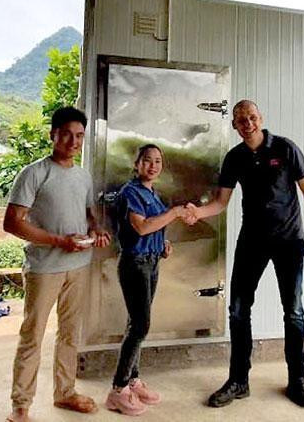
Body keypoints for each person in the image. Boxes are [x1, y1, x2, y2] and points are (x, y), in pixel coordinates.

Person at [185, 99, 304, 408]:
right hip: (252, 241)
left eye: (251, 117)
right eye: (240, 119)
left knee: (294, 311)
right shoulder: (234, 158)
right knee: (237, 310)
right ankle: (238, 381)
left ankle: (297, 379)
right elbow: (221, 202)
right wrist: (198, 212)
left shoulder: (286, 149)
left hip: (289, 241)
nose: (247, 122)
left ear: (260, 118)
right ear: (234, 126)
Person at [3, 106, 111, 422]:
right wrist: (58, 241)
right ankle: (20, 406)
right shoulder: (34, 173)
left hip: (79, 264)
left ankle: (65, 393)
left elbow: (90, 214)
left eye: (79, 136)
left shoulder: (83, 175)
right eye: (67, 134)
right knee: (32, 335)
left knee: (69, 333)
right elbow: (12, 223)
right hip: (43, 268)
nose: (73, 141)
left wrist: (97, 230)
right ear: (53, 135)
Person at [105, 144, 187, 416]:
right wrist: (174, 213)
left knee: (135, 323)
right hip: (134, 264)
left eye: (158, 162)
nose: (153, 166)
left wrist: (162, 244)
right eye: (147, 160)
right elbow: (141, 226)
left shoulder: (153, 194)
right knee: (140, 325)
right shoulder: (131, 192)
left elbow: (155, 226)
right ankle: (117, 390)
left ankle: (132, 380)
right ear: (137, 163)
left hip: (151, 263)